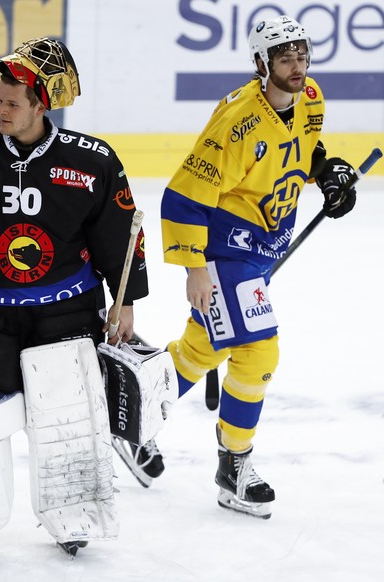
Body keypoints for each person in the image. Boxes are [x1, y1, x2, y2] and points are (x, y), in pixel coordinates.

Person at [0, 38, 150, 562]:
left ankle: (71, 509)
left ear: (43, 105)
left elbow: (119, 235)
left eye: (14, 103)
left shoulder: (91, 160)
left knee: (65, 414)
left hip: (65, 307)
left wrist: (124, 300)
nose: (2, 111)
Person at [157, 15, 356, 519]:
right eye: (284, 58)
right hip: (226, 248)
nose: (296, 66)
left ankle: (130, 416)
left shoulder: (310, 96)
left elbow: (303, 151)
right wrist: (195, 268)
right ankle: (234, 466)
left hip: (264, 243)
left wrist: (327, 174)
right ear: (261, 64)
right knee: (258, 349)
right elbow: (183, 197)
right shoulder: (237, 121)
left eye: (302, 55)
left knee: (207, 345)